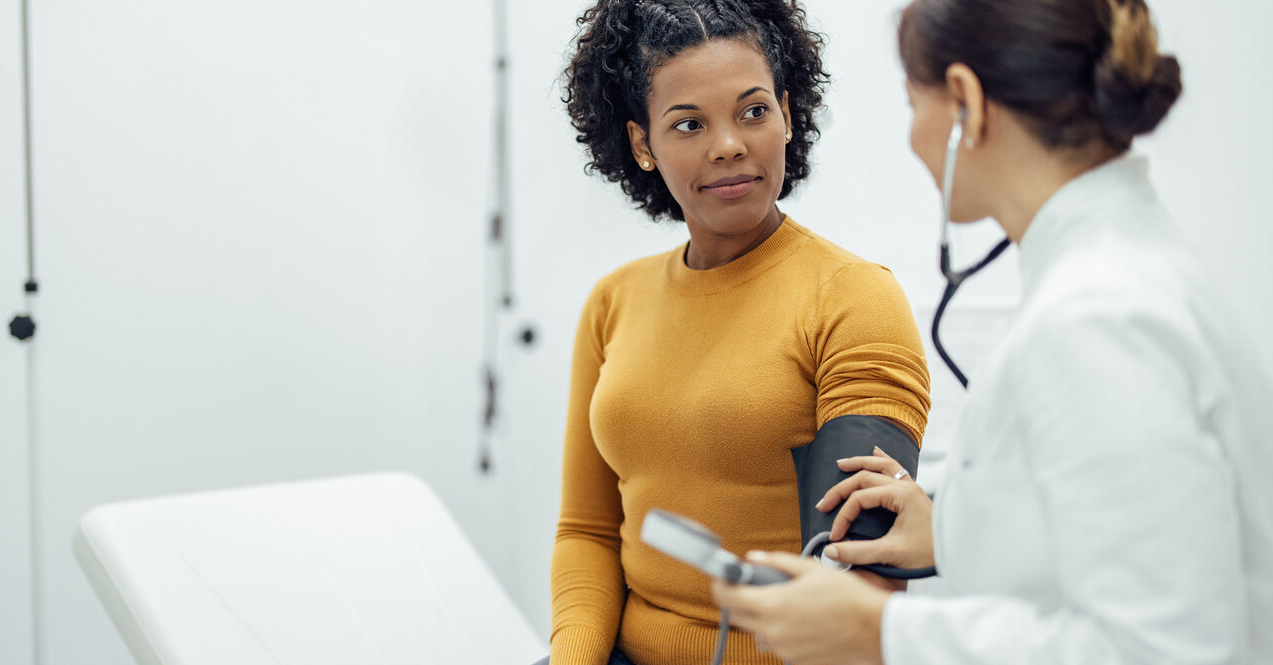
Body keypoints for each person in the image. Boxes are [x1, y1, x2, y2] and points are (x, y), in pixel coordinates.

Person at [711, 0, 1273, 663]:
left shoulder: (1099, 320)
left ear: (964, 103)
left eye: (911, 102)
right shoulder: (1123, 275)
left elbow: (1163, 646)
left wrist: (880, 631)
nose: (913, 135)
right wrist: (956, 527)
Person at [544, 1, 934, 664]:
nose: (729, 144)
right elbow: (586, 529)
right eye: (689, 123)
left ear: (786, 113)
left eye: (753, 111)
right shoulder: (613, 302)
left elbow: (857, 567)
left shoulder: (853, 297)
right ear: (642, 143)